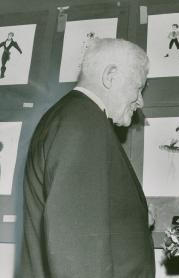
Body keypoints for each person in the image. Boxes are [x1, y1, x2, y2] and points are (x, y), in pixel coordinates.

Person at [19, 38, 155, 278]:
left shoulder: (70, 116)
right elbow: (78, 245)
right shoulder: (84, 122)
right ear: (110, 76)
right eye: (138, 88)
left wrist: (132, 219)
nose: (140, 101)